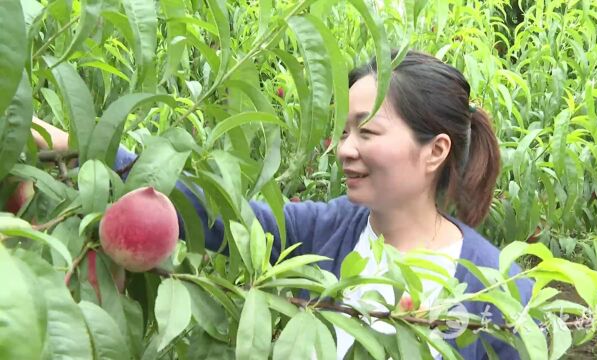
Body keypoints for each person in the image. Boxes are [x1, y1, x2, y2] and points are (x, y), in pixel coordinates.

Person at [33, 50, 532, 359]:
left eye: (369, 131)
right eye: (344, 130)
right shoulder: (325, 231)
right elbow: (210, 214)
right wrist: (85, 147)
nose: (345, 148)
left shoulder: (501, 291)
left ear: (436, 150)